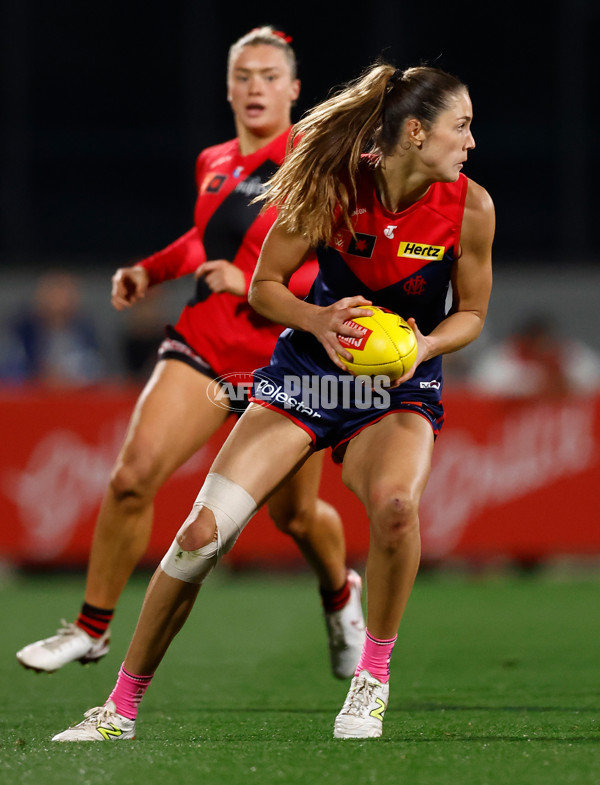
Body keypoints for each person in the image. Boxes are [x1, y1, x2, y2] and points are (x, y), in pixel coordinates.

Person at [51, 59, 495, 743]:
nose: (470, 141)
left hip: (397, 385)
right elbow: (265, 286)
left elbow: (472, 314)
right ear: (415, 132)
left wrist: (424, 345)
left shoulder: (471, 208)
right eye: (460, 126)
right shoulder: (334, 184)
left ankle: (372, 679)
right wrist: (318, 320)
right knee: (199, 537)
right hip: (308, 373)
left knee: (396, 508)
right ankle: (118, 709)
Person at [16, 26, 365, 683]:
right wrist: (149, 270)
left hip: (285, 358)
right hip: (207, 341)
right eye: (243, 76)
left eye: (269, 76)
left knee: (294, 516)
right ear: (228, 88)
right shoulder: (214, 160)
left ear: (293, 88)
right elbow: (204, 240)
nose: (255, 87)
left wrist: (256, 281)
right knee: (132, 475)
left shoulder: (317, 162)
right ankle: (90, 627)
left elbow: (335, 268)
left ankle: (340, 590)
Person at [0, 270, 105, 386]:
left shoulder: (86, 331)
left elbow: (97, 368)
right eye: (54, 292)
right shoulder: (23, 331)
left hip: (77, 391)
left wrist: (70, 375)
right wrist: (39, 373)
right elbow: (10, 370)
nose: (60, 300)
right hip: (33, 391)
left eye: (66, 293)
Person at [468, 312, 600, 398]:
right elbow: (481, 389)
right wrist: (533, 383)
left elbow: (593, 380)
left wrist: (561, 379)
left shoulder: (570, 353)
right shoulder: (502, 357)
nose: (540, 348)